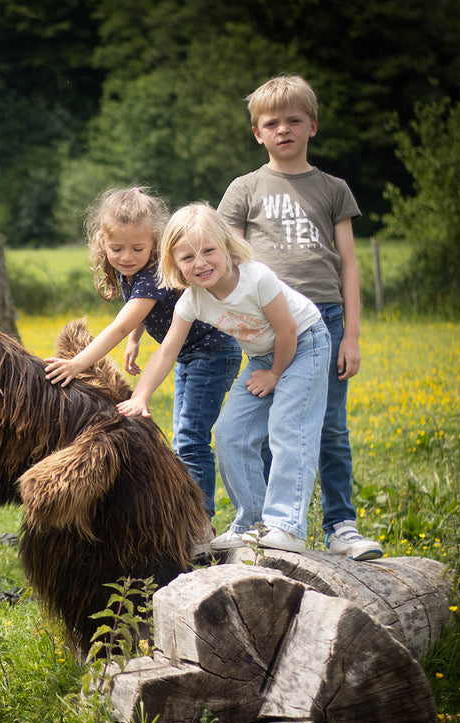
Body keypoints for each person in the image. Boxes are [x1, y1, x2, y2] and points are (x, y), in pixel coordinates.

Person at [218, 73, 383, 561]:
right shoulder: (244, 189)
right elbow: (228, 263)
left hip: (324, 322)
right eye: (271, 123)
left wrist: (352, 336)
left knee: (329, 427)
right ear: (257, 132)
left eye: (293, 120)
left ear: (313, 125)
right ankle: (268, 525)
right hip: (268, 324)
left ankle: (341, 526)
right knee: (270, 426)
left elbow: (348, 265)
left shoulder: (333, 189)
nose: (283, 129)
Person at [116, 203, 329, 553]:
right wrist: (140, 396)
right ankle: (252, 524)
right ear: (173, 263)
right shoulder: (192, 301)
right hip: (263, 357)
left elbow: (287, 330)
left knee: (287, 426)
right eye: (187, 257)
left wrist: (275, 374)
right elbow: (167, 352)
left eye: (209, 251)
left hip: (305, 344)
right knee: (230, 433)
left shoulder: (256, 278)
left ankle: (287, 526)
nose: (200, 263)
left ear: (227, 247)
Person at [44, 187, 241, 521]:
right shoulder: (133, 272)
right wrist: (136, 340)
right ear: (102, 242)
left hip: (212, 353)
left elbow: (121, 324)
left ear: (154, 242)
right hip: (187, 354)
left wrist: (78, 363)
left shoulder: (151, 275)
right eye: (117, 248)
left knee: (190, 438)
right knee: (184, 436)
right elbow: (141, 315)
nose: (127, 257)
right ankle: (192, 516)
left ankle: (200, 521)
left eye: (137, 248)